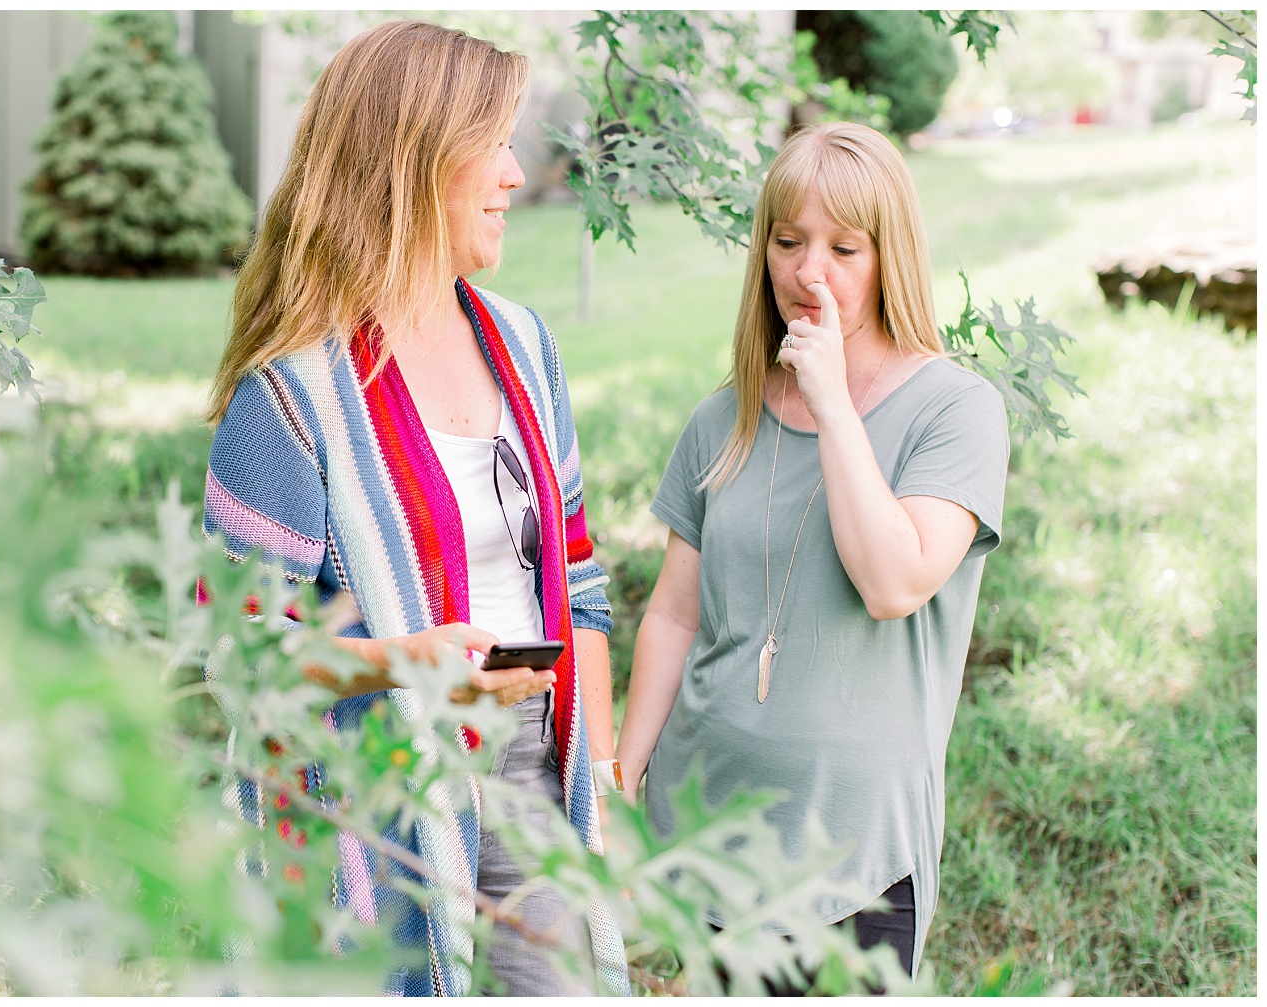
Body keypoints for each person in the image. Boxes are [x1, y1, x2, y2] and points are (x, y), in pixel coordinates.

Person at [201, 20, 628, 999]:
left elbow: (581, 578)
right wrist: (396, 663)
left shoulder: (523, 344)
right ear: (414, 162)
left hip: (533, 762)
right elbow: (235, 649)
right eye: (496, 145)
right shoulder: (292, 397)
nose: (519, 174)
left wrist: (595, 771)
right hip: (377, 791)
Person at [615, 121, 1010, 989]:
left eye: (844, 247)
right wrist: (621, 780)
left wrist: (833, 402)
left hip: (855, 857)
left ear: (890, 255)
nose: (809, 272)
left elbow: (894, 581)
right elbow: (674, 614)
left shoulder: (956, 410)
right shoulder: (724, 418)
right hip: (706, 831)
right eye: (788, 243)